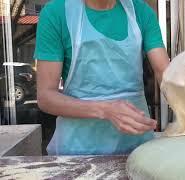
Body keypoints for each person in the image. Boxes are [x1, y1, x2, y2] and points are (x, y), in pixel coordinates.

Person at [34, 0, 170, 155]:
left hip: (136, 147)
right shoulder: (57, 13)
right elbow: (46, 97)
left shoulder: (140, 12)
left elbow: (164, 73)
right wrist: (106, 110)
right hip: (79, 151)